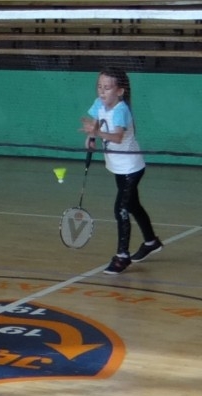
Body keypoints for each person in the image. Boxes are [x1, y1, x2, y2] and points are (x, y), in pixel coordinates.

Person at [80, 67, 162, 275]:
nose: (102, 91)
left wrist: (97, 133)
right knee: (133, 205)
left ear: (120, 91)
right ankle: (151, 242)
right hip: (117, 166)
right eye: (99, 86)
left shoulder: (121, 110)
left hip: (131, 168)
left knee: (121, 209)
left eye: (107, 88)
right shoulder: (99, 103)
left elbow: (117, 137)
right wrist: (91, 137)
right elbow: (96, 122)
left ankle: (122, 256)